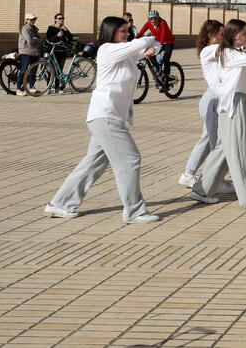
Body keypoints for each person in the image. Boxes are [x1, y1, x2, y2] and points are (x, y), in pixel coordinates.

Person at [44, 16, 160, 223]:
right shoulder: (107, 50)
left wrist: (153, 49)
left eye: (127, 30)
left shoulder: (125, 54)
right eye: (123, 31)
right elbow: (142, 43)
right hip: (106, 116)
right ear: (111, 32)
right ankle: (134, 211)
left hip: (109, 117)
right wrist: (147, 42)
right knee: (130, 159)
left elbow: (152, 45)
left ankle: (60, 203)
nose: (127, 34)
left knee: (92, 164)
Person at [188, 19, 246, 211]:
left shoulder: (233, 53)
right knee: (242, 151)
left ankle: (202, 190)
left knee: (224, 150)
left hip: (238, 102)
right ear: (233, 35)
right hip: (231, 104)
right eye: (243, 33)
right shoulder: (224, 52)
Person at [178, 20, 235, 192]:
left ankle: (188, 174)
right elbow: (225, 49)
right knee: (216, 144)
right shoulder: (209, 50)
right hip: (212, 101)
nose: (223, 37)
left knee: (207, 140)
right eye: (221, 34)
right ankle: (215, 181)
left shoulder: (217, 50)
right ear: (211, 36)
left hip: (215, 99)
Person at [137, 10, 175, 76]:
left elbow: (163, 33)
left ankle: (166, 77)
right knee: (150, 56)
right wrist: (133, 41)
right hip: (158, 42)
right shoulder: (148, 23)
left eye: (155, 18)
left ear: (158, 18)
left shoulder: (162, 22)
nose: (153, 20)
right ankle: (158, 73)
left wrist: (161, 43)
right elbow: (141, 33)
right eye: (151, 19)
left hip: (168, 42)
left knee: (166, 60)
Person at [16, 13, 41, 96]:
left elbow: (39, 39)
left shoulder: (35, 29)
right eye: (31, 19)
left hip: (35, 52)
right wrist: (37, 39)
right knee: (23, 70)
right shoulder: (25, 28)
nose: (33, 21)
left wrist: (36, 39)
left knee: (33, 71)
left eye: (34, 19)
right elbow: (29, 40)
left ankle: (31, 87)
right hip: (26, 52)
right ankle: (18, 89)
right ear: (26, 20)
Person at [45, 13, 74, 80]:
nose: (61, 20)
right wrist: (57, 36)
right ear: (55, 20)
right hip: (53, 51)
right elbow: (49, 39)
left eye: (62, 18)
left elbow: (71, 38)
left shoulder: (64, 28)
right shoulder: (51, 28)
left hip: (62, 51)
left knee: (59, 70)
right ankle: (48, 87)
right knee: (52, 70)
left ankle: (57, 88)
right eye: (59, 18)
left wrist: (66, 31)